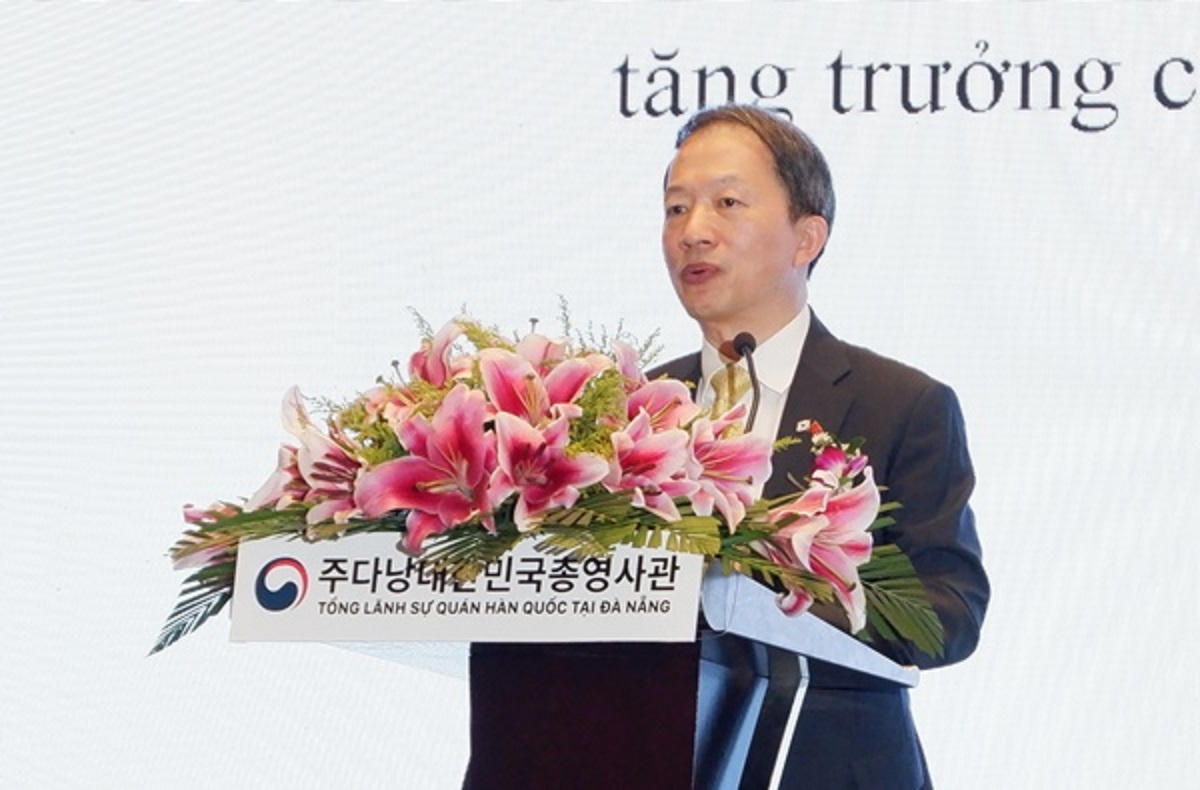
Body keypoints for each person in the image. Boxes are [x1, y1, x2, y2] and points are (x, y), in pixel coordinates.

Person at [653, 103, 989, 788]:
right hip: (653, 757)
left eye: (726, 203)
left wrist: (775, 607)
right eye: (676, 208)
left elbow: (948, 611)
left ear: (806, 237)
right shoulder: (635, 410)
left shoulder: (901, 404)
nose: (693, 232)